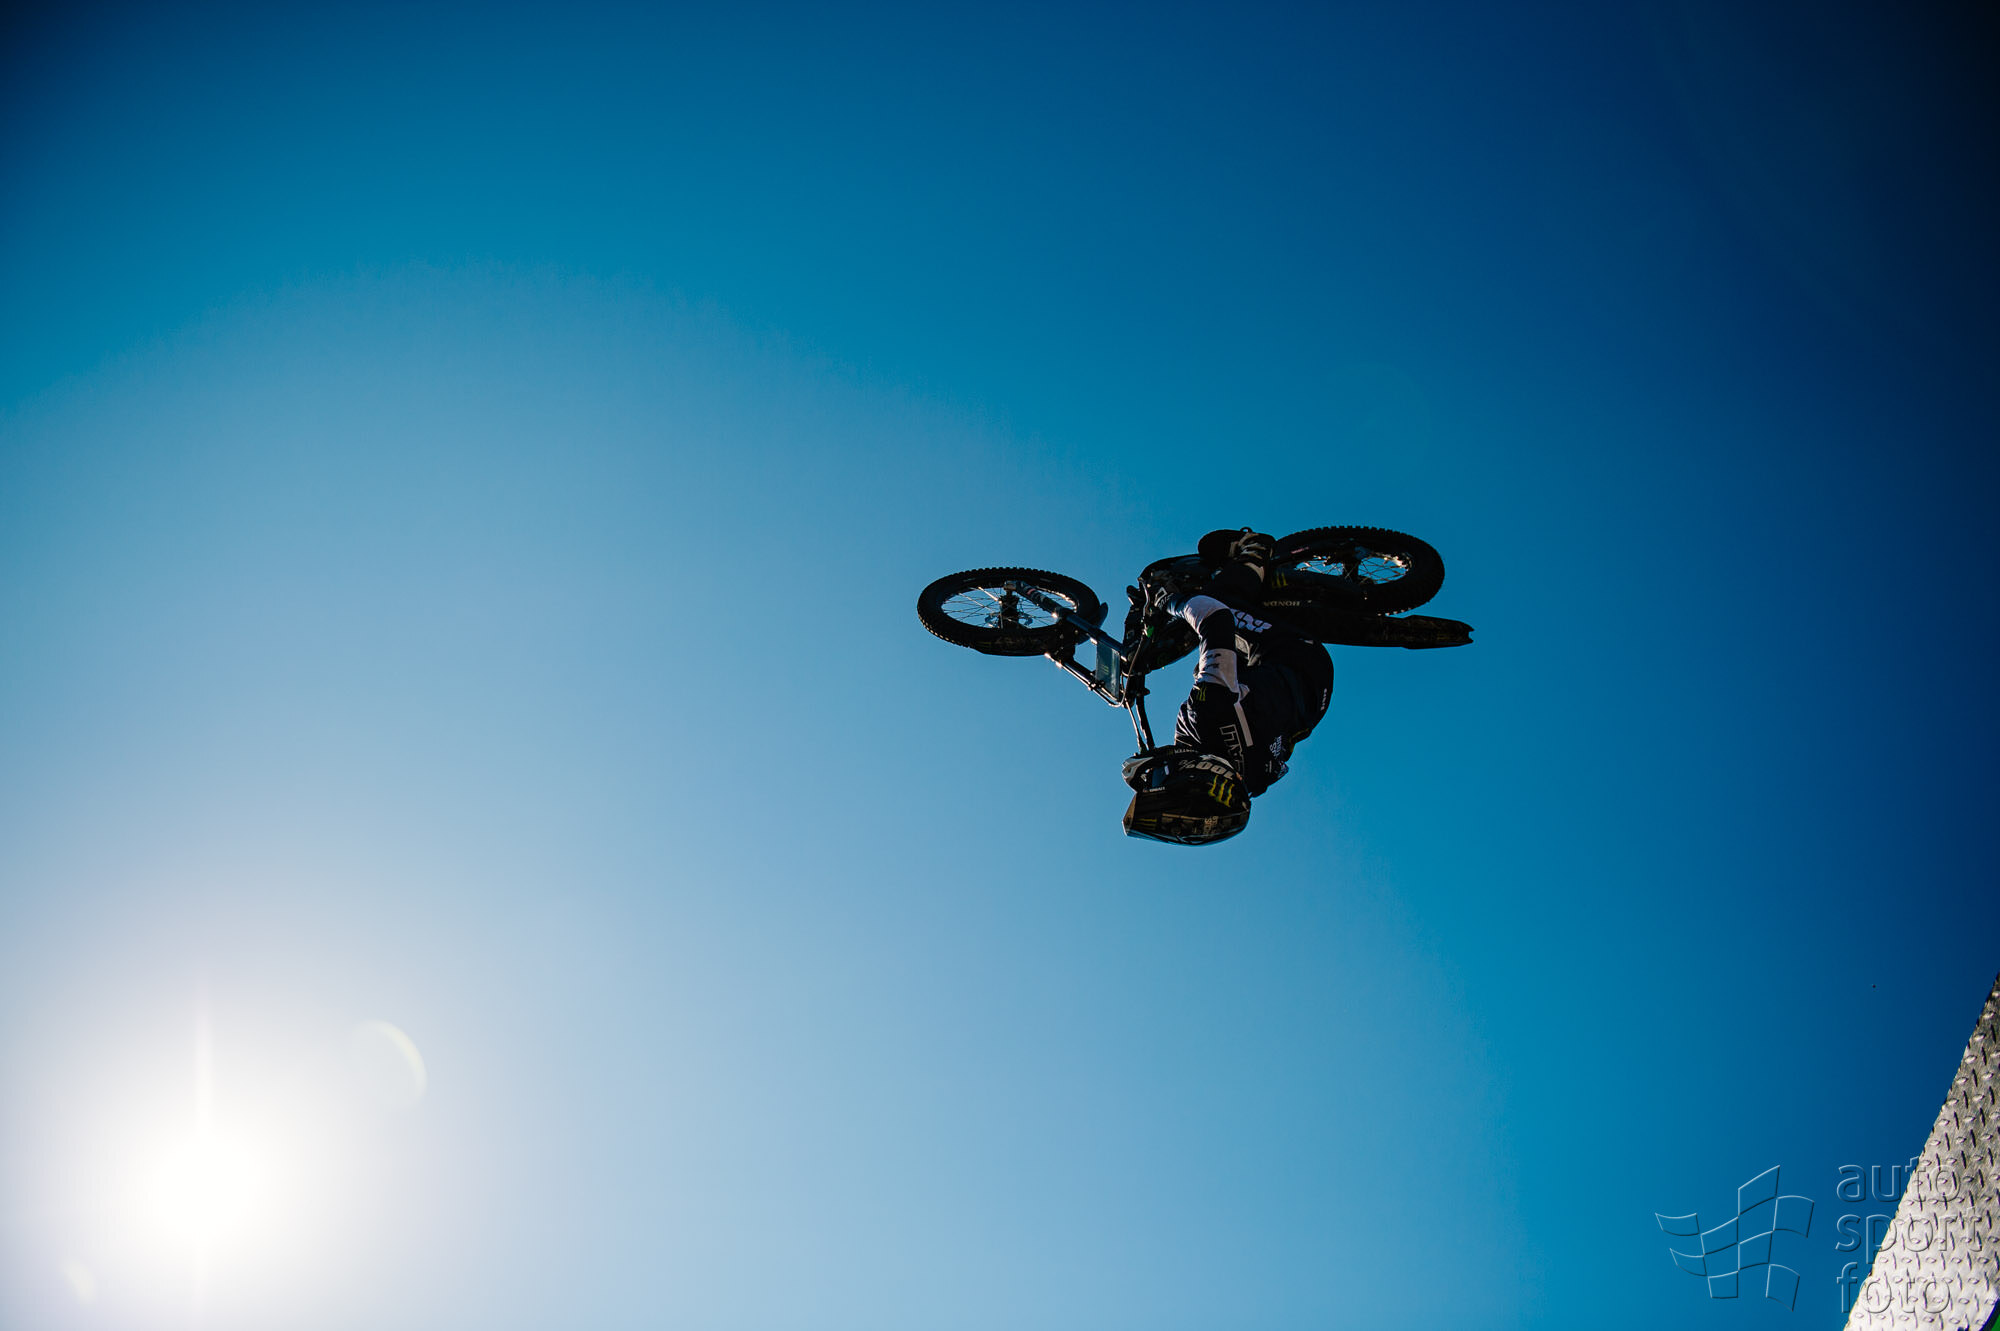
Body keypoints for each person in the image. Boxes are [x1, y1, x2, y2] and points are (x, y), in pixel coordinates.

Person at [1122, 530, 1334, 845]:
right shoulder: (1207, 714)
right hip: (1291, 655)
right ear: (1188, 772)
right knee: (1216, 603)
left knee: (1209, 667)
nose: (1153, 778)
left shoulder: (1248, 784)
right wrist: (1170, 601)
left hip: (1311, 698)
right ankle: (1255, 552)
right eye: (1156, 781)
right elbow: (1215, 617)